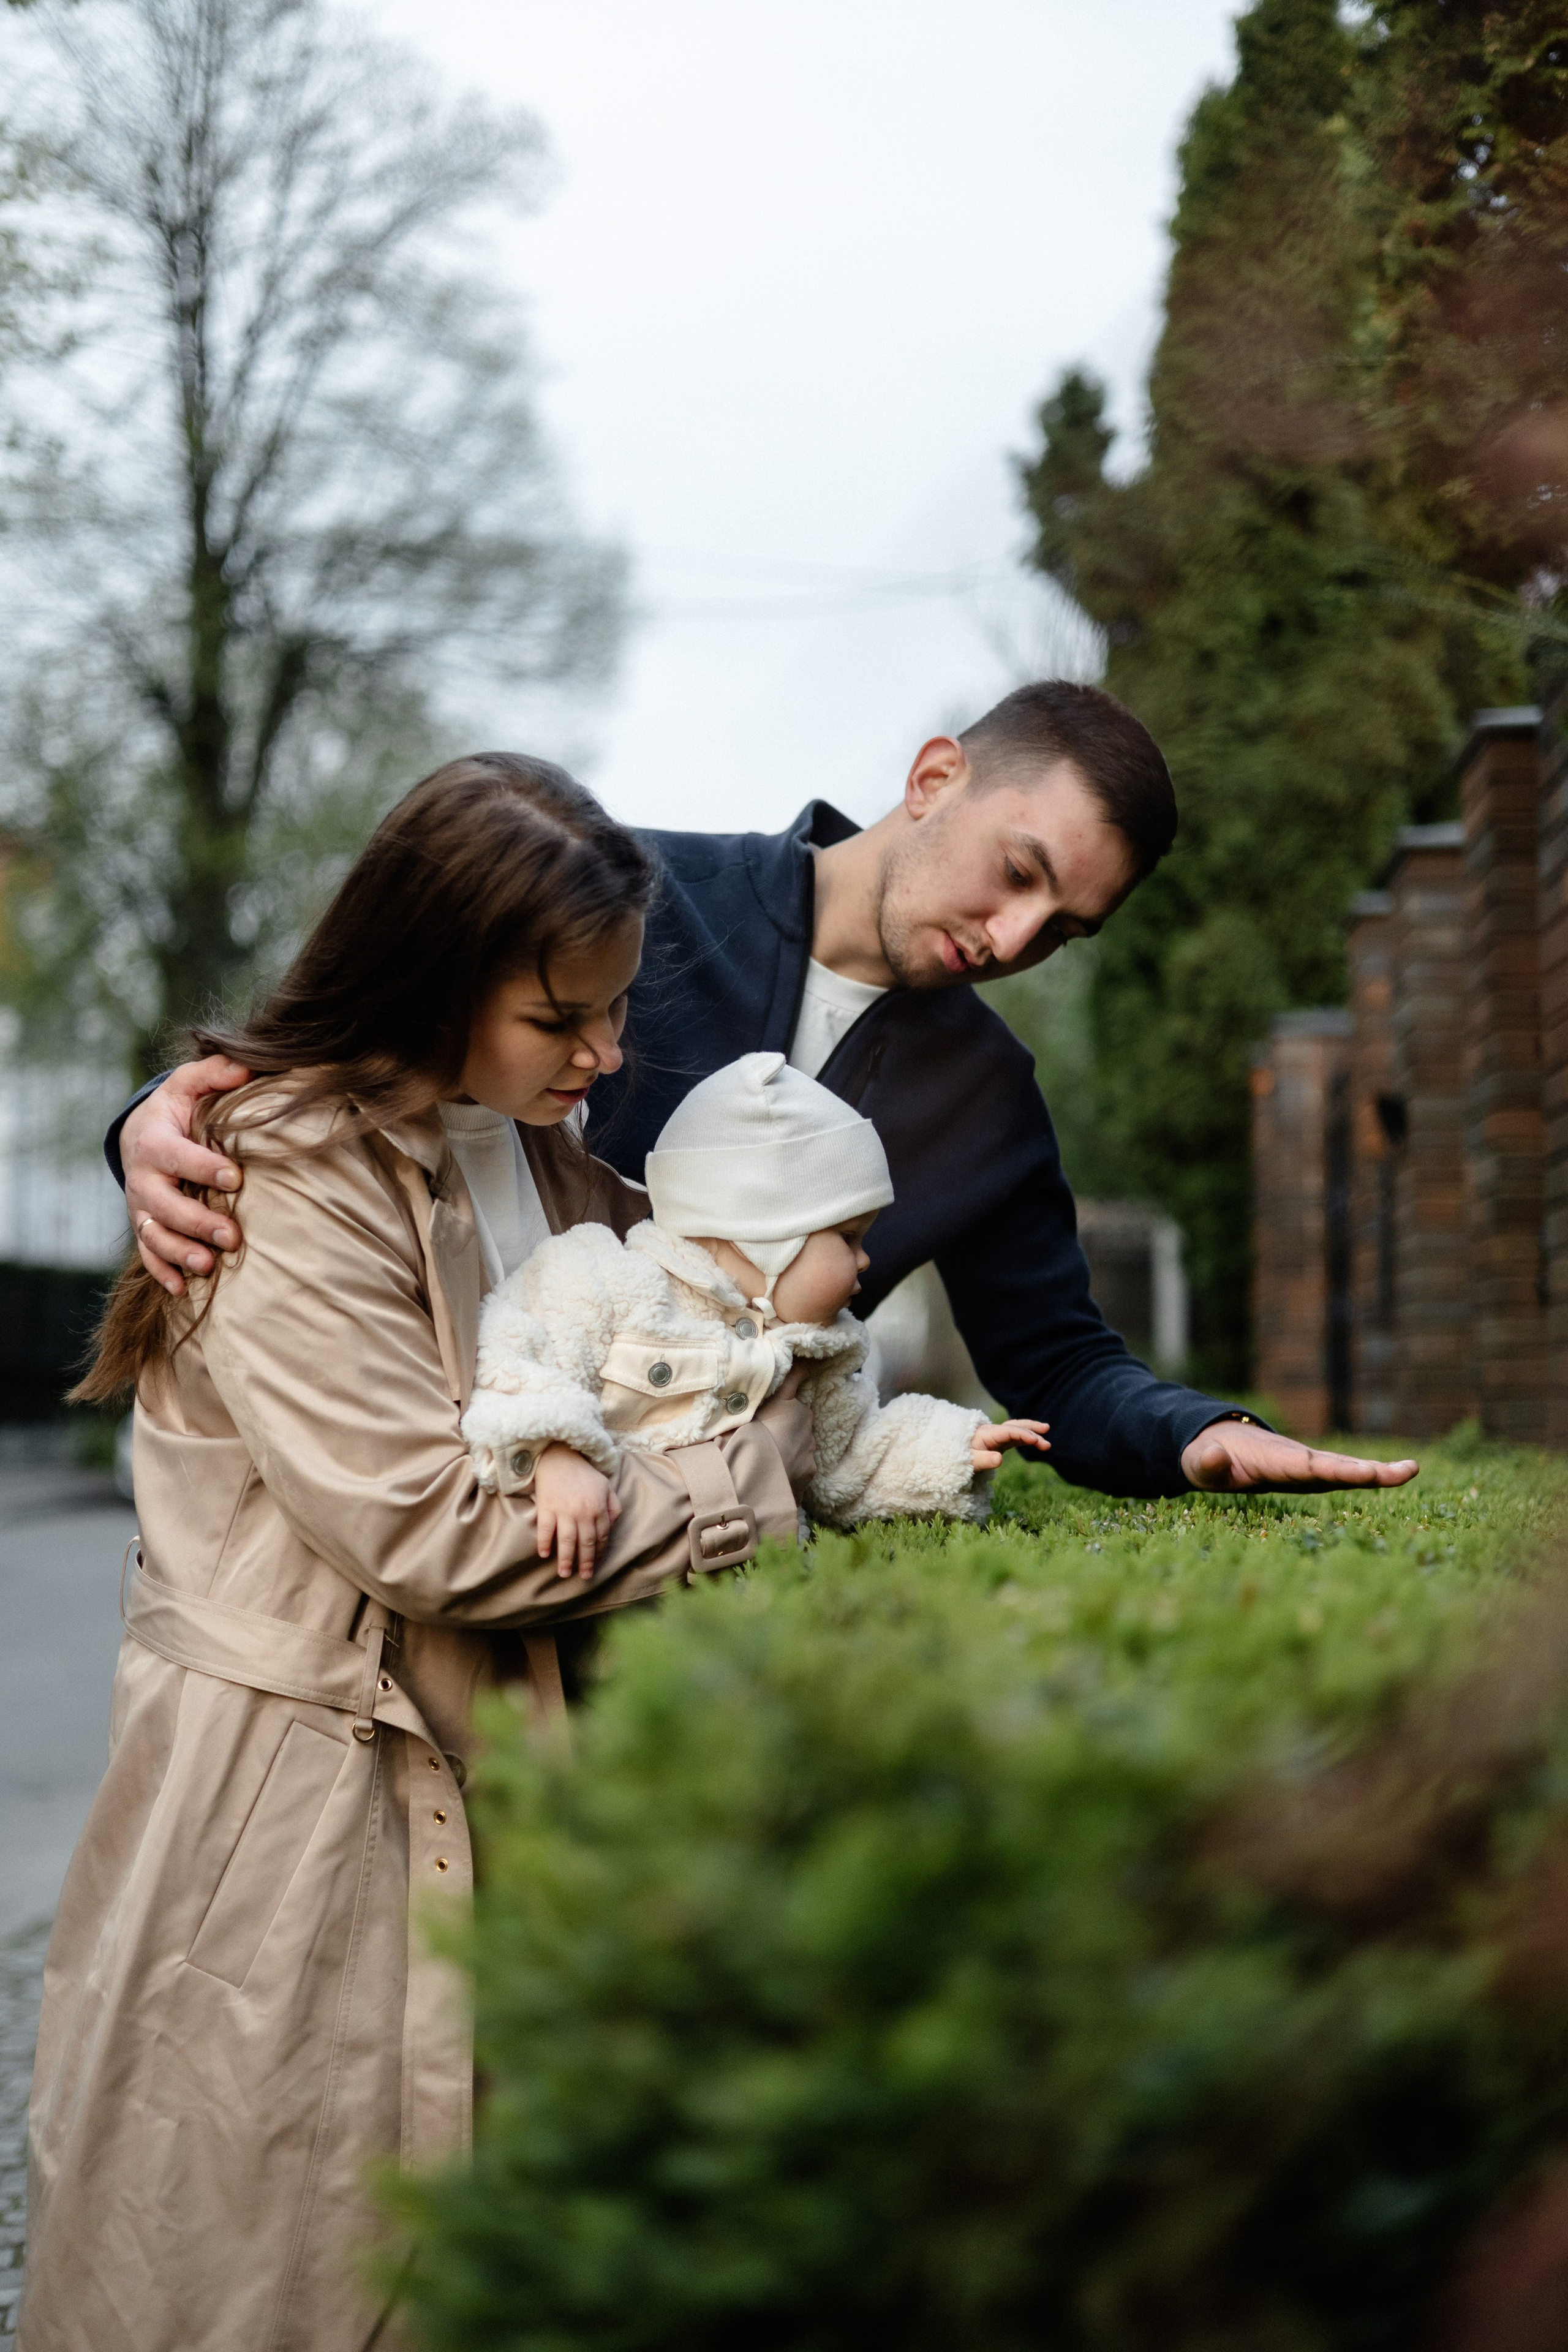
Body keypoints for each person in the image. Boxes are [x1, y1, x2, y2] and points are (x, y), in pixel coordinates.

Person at [20, 756, 815, 2352]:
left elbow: (716, 1352)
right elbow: (440, 1534)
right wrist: (745, 1482)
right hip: (292, 1817)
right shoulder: (289, 1170)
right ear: (435, 975)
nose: (606, 1055)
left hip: (495, 1794)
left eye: (613, 1009)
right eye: (560, 1020)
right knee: (261, 2264)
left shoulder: (554, 1158)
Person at [110, 680, 1418, 1500]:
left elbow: (1059, 1361)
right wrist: (158, 1114)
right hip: (455, 1500)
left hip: (700, 1581)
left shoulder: (989, 1098)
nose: (1016, 941)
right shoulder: (633, 899)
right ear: (932, 778)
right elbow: (367, 1041)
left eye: (1065, 929)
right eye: (1017, 873)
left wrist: (1196, 1433)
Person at [462, 1050, 1050, 1566]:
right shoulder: (604, 1279)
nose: (866, 1261)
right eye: (847, 1237)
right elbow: (516, 1353)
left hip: (750, 1599)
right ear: (763, 1236)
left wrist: (951, 1451)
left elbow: (851, 1462)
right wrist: (556, 1454)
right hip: (621, 1578)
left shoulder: (814, 1354)